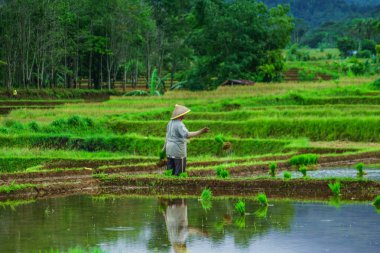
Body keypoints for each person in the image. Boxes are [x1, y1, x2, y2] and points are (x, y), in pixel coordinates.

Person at [163, 104, 209, 176]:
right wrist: (200, 132)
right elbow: (187, 135)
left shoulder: (170, 123)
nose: (185, 115)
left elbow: (167, 137)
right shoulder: (179, 124)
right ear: (181, 115)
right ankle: (177, 186)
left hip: (169, 150)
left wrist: (163, 149)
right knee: (179, 173)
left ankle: (170, 186)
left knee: (170, 171)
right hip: (177, 151)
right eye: (184, 114)